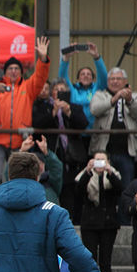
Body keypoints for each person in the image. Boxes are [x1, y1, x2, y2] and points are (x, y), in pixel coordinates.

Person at [0, 37, 50, 189]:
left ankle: (15, 201)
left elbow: (40, 77)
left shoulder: (28, 87)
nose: (14, 71)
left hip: (20, 139)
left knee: (19, 175)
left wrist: (42, 58)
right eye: (10, 69)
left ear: (21, 72)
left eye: (17, 69)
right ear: (5, 71)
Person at [33, 79, 88, 217]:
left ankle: (72, 220)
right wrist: (54, 112)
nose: (60, 93)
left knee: (72, 190)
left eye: (63, 90)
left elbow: (83, 124)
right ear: (52, 93)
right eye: (57, 90)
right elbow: (38, 124)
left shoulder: (75, 107)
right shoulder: (44, 106)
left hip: (72, 156)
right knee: (56, 186)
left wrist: (68, 112)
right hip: (52, 152)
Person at [90, 68, 137, 188]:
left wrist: (129, 100)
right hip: (104, 150)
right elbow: (94, 109)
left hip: (127, 151)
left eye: (118, 79)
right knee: (102, 185)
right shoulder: (100, 95)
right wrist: (113, 99)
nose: (115, 81)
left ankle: (124, 207)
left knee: (126, 185)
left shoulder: (134, 95)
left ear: (125, 81)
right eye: (112, 79)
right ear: (108, 81)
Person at [75, 152, 121, 272]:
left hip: (108, 225)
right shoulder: (86, 175)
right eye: (97, 160)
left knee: (105, 261)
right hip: (90, 224)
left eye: (103, 160)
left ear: (108, 162)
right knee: (90, 259)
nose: (100, 163)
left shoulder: (113, 175)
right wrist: (88, 171)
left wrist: (109, 171)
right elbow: (78, 192)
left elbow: (119, 189)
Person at [58, 42, 107, 128]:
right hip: (77, 133)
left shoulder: (97, 89)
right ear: (78, 78)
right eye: (82, 74)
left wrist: (96, 57)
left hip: (95, 133)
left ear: (93, 78)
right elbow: (62, 78)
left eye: (88, 74)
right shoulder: (73, 90)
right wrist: (66, 58)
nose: (85, 76)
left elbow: (103, 76)